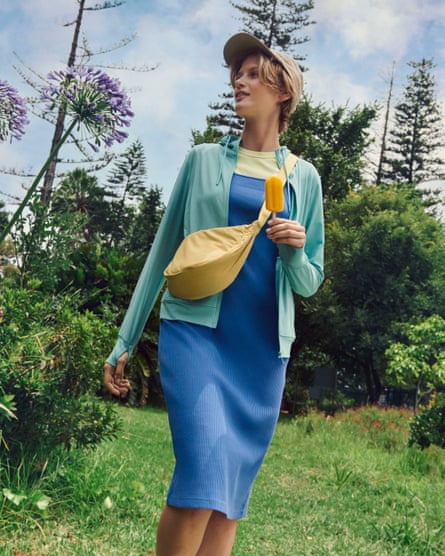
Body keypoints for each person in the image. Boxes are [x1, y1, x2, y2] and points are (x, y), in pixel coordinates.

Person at [103, 32, 324, 556]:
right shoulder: (202, 161)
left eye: (253, 74)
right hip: (197, 335)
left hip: (262, 352)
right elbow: (162, 253)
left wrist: (293, 250)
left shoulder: (305, 179)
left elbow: (310, 280)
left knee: (228, 498)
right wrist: (125, 339)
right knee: (203, 471)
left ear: (283, 91)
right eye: (237, 74)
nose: (238, 82)